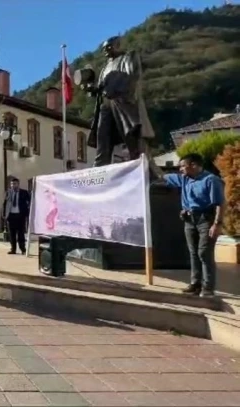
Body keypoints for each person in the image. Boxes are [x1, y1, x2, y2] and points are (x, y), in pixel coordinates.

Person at [81, 35, 155, 167]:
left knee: (130, 136)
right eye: (104, 48)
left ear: (117, 45)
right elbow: (100, 89)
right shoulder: (105, 68)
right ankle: (100, 166)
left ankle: (138, 163)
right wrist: (91, 88)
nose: (106, 50)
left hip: (121, 102)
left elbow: (132, 77)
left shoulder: (127, 58)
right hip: (105, 105)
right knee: (102, 136)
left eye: (108, 47)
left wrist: (115, 90)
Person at [160, 153, 224, 297]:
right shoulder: (184, 179)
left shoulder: (211, 180)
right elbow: (161, 176)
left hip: (205, 219)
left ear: (194, 165)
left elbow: (220, 203)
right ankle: (196, 284)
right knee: (193, 253)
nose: (180, 169)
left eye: (183, 166)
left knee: (204, 253)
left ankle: (208, 288)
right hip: (189, 220)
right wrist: (147, 161)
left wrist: (217, 224)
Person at [2, 178, 31, 255]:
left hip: (20, 216)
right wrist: (4, 215)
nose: (13, 185)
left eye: (14, 184)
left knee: (21, 234)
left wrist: (27, 213)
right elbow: (4, 204)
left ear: (18, 184)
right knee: (12, 234)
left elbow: (30, 202)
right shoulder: (8, 193)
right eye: (12, 184)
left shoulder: (24, 192)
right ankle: (13, 249)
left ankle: (23, 249)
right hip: (11, 216)